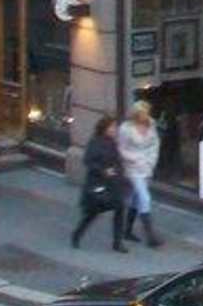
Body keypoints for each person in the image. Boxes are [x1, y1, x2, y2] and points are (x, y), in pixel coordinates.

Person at [70, 116, 127, 251]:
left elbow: (117, 161)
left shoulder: (112, 143)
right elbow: (88, 161)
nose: (115, 129)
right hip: (97, 184)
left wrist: (118, 172)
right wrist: (103, 171)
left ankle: (117, 242)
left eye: (115, 127)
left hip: (111, 184)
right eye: (112, 127)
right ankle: (77, 234)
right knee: (93, 212)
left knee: (120, 207)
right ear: (105, 128)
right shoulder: (94, 142)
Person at [117, 102, 164, 249]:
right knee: (145, 197)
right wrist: (135, 159)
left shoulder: (151, 124)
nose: (145, 116)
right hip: (133, 168)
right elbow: (121, 149)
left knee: (135, 199)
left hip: (147, 167)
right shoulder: (126, 129)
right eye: (142, 113)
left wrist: (151, 161)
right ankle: (150, 236)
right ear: (136, 114)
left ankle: (127, 230)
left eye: (147, 112)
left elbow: (155, 144)